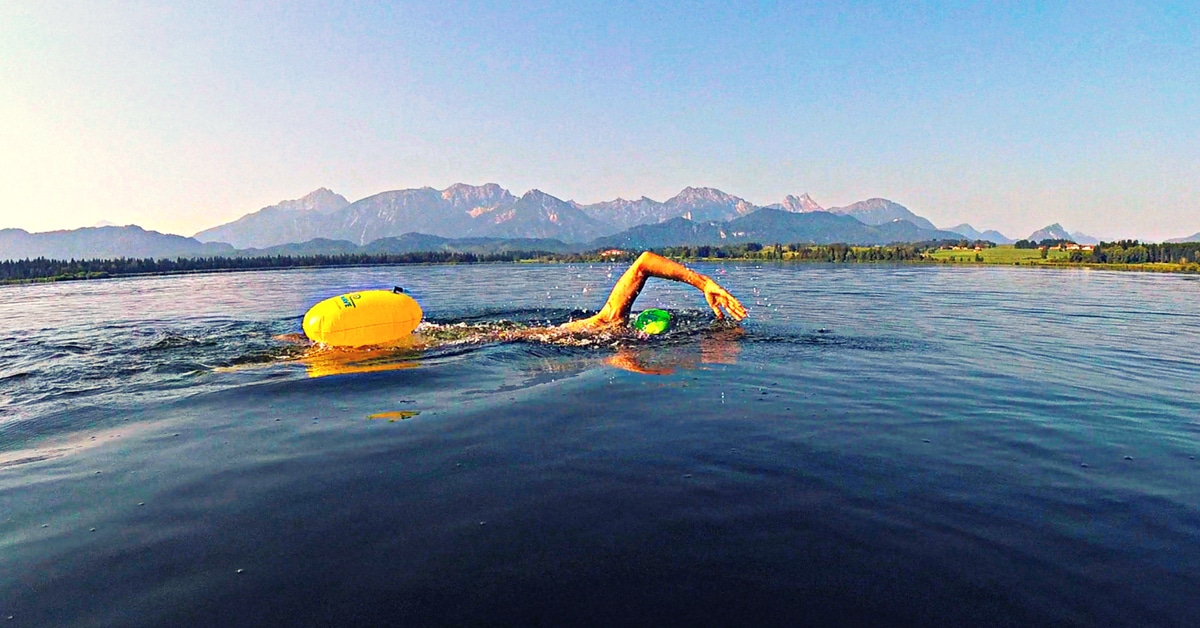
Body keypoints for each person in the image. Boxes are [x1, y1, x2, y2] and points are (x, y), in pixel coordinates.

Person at [558, 251, 747, 331]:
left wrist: (704, 284)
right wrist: (703, 283)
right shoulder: (604, 324)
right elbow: (644, 263)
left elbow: (644, 262)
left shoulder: (606, 322)